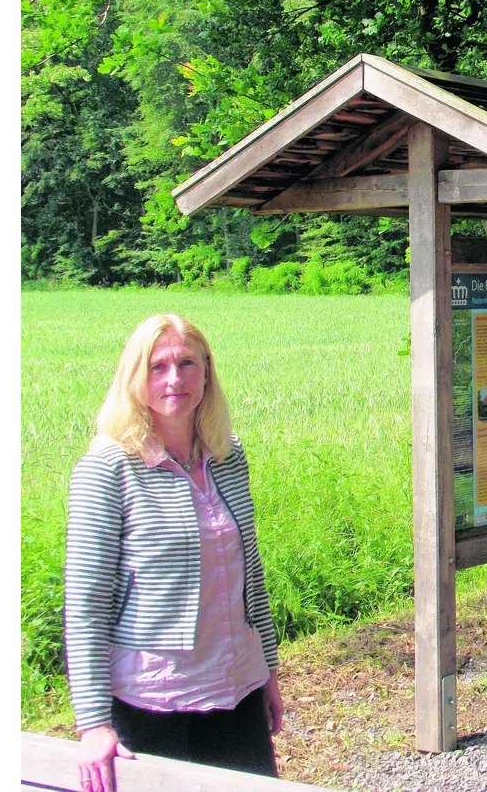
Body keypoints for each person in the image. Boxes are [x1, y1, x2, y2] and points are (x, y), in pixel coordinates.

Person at [65, 314, 283, 792]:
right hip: (153, 700)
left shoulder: (226, 454)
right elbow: (85, 605)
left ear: (207, 371)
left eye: (187, 363)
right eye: (157, 365)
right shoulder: (107, 469)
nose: (174, 379)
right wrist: (94, 723)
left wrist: (267, 669)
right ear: (134, 378)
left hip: (236, 687)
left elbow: (250, 573)